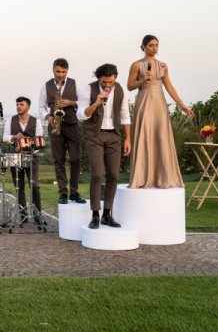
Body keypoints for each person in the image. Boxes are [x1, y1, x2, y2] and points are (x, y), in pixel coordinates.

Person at [127, 35, 194, 189]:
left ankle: (163, 177)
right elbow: (130, 86)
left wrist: (181, 104)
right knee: (145, 136)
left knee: (161, 137)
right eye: (151, 45)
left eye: (157, 45)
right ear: (143, 47)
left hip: (160, 104)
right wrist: (142, 81)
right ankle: (143, 177)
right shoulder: (136, 65)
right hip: (144, 101)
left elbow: (169, 86)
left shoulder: (163, 66)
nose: (154, 48)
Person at [77, 63, 131, 229]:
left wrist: (128, 138)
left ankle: (107, 214)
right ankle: (95, 214)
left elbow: (124, 115)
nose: (108, 85)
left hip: (114, 135)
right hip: (94, 135)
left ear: (115, 78)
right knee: (97, 174)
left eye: (111, 82)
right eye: (104, 82)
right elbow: (82, 115)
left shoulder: (121, 90)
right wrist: (96, 103)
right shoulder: (88, 89)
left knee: (114, 176)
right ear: (98, 78)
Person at [38, 58, 85, 204]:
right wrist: (47, 116)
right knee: (59, 161)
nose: (60, 75)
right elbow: (41, 106)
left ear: (67, 71)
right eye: (58, 71)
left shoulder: (75, 84)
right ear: (53, 70)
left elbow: (84, 102)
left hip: (72, 125)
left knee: (76, 160)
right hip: (55, 127)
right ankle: (63, 193)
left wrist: (71, 103)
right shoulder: (45, 86)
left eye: (63, 72)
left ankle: (74, 192)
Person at [2, 97, 44, 222]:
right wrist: (14, 137)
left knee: (34, 186)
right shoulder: (11, 120)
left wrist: (31, 149)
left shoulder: (36, 122)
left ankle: (37, 215)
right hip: (15, 157)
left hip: (31, 157)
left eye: (21, 104)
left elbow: (40, 140)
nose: (18, 106)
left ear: (28, 107)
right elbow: (4, 138)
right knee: (19, 187)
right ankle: (23, 214)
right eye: (17, 104)